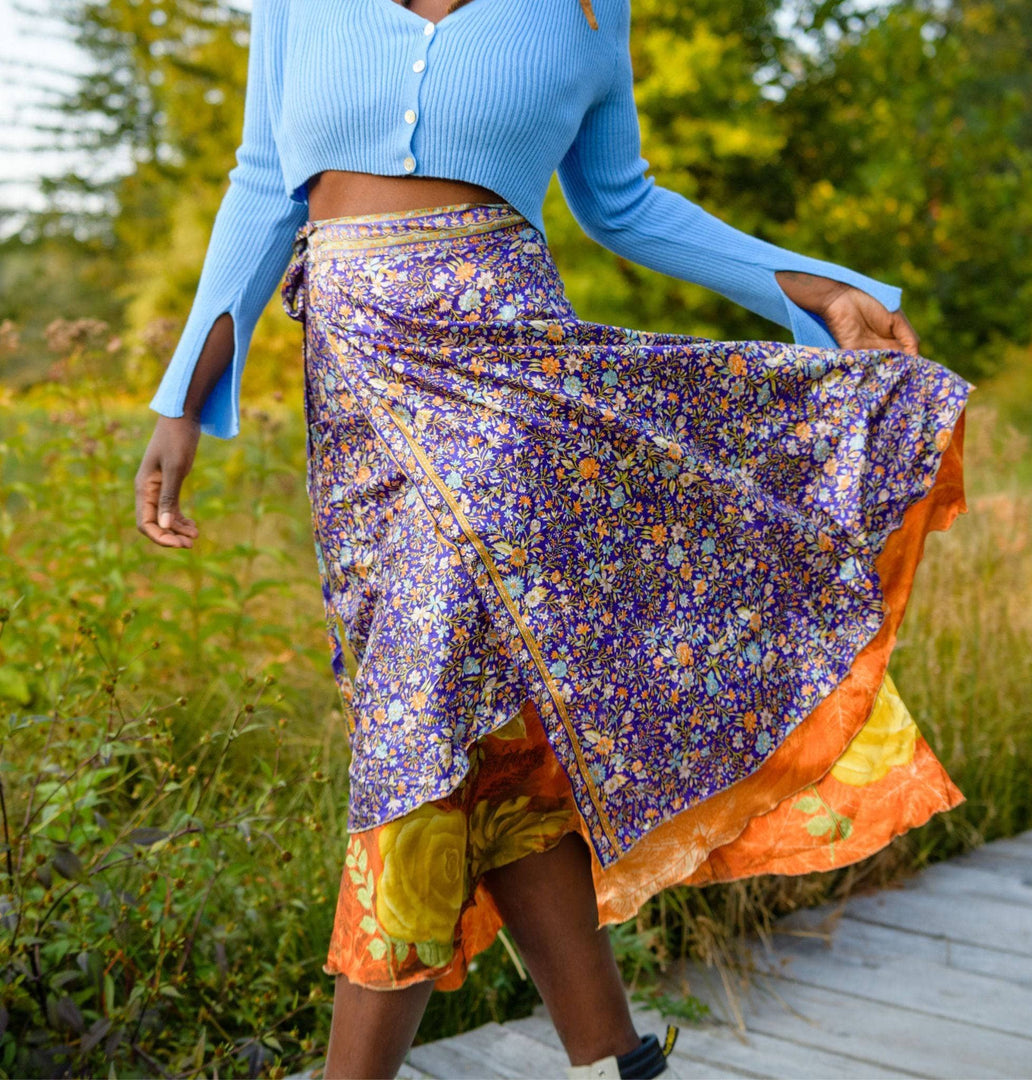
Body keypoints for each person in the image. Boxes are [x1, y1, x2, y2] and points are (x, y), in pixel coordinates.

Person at [134, 0, 975, 1076]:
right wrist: (182, 401)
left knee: (417, 718)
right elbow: (262, 183)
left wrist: (820, 290)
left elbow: (623, 204)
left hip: (514, 395)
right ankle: (622, 1061)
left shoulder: (580, 11)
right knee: (482, 738)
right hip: (359, 412)